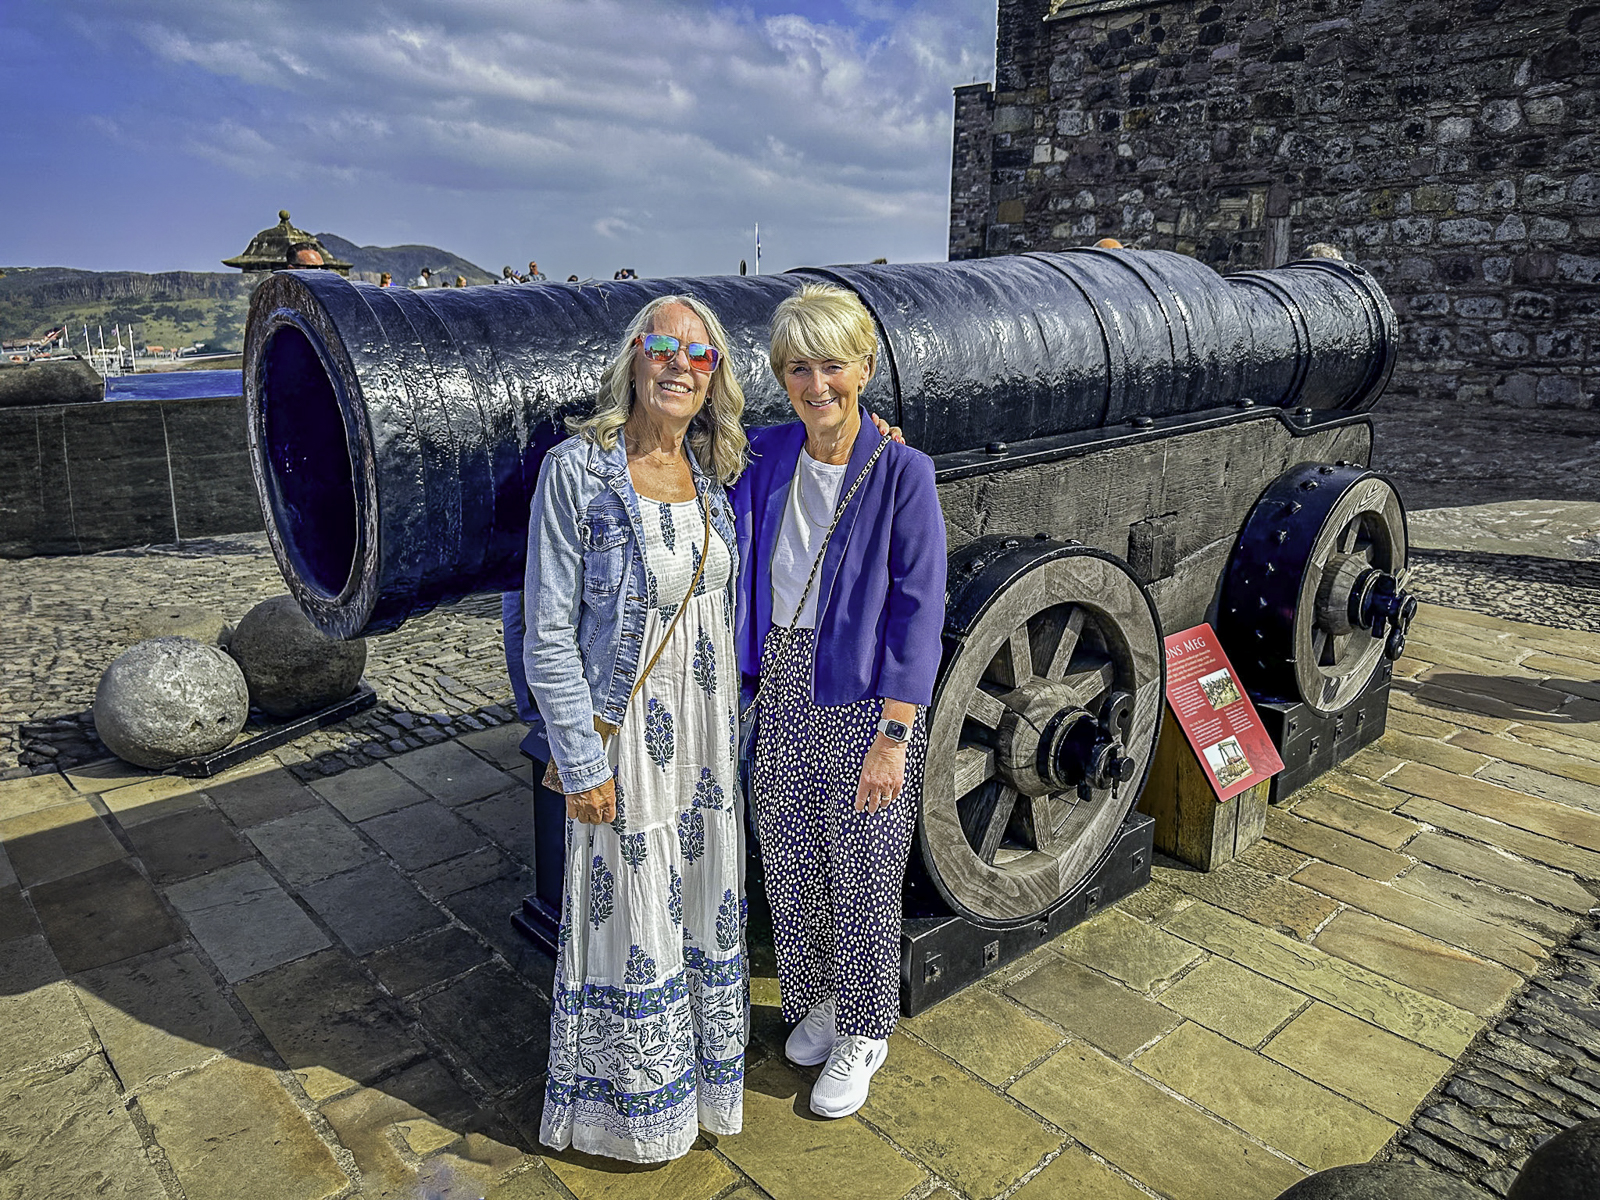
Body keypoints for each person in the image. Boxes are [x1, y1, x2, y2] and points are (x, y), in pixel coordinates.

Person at [524, 294, 749, 1163]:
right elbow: (547, 631)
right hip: (629, 741)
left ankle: (694, 1090)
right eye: (663, 345)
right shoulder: (577, 471)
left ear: (714, 377)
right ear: (633, 358)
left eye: (700, 354)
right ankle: (631, 1114)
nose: (679, 364)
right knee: (630, 915)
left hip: (705, 747)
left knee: (698, 903)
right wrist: (581, 762)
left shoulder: (713, 469)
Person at [733, 282, 946, 1120]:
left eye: (831, 366)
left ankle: (864, 1029)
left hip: (862, 694)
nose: (816, 384)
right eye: (797, 368)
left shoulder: (901, 470)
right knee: (790, 854)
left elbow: (919, 607)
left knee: (863, 867)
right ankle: (819, 995)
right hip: (781, 676)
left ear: (863, 368)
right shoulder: (767, 453)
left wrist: (895, 735)